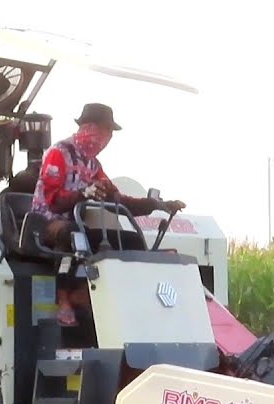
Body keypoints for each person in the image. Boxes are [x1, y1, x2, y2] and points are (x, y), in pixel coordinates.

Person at [32, 103, 187, 325]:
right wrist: (83, 194)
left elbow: (120, 201)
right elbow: (54, 202)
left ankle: (114, 299)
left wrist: (157, 204)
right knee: (73, 234)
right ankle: (63, 299)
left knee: (131, 239)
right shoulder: (59, 153)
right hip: (47, 222)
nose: (106, 137)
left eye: (110, 133)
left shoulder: (94, 165)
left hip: (78, 223)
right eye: (104, 130)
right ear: (87, 127)